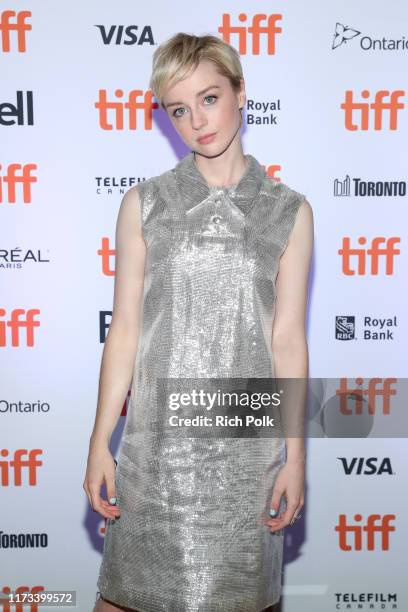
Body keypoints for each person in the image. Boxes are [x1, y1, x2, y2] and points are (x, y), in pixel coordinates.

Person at [83, 32, 313, 612]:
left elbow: (286, 341)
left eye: (209, 99)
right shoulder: (145, 204)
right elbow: (126, 332)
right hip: (153, 454)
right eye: (179, 110)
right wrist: (99, 441)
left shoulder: (290, 211)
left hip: (245, 461)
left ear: (241, 92)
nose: (196, 122)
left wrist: (296, 457)